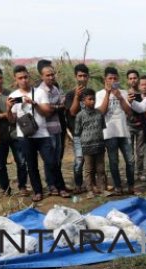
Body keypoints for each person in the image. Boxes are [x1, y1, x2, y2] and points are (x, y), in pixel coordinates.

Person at [6, 64, 56, 202]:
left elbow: (46, 112)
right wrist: (9, 109)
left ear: (29, 77)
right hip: (25, 136)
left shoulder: (39, 92)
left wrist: (34, 103)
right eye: (20, 78)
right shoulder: (13, 96)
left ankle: (56, 186)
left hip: (42, 134)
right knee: (31, 165)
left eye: (25, 77)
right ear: (15, 80)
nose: (23, 80)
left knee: (51, 162)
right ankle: (38, 191)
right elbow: (11, 120)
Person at [96, 66, 146, 195]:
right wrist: (108, 94)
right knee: (114, 162)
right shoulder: (99, 94)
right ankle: (118, 187)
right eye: (110, 78)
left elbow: (129, 112)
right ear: (105, 79)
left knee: (130, 161)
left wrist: (120, 97)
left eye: (115, 78)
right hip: (109, 133)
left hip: (124, 131)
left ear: (118, 79)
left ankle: (131, 186)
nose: (113, 80)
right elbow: (101, 112)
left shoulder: (124, 93)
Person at [0, 65, 28, 195]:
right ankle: (5, 189)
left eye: (0, 78)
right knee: (0, 165)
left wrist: (0, 115)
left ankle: (22, 187)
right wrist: (3, 115)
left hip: (15, 133)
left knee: (21, 162)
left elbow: (17, 113)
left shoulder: (11, 94)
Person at [37, 64, 69, 197]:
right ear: (42, 76)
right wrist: (57, 107)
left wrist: (54, 107)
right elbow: (48, 110)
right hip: (46, 129)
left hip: (57, 128)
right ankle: (51, 184)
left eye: (52, 74)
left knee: (57, 157)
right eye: (48, 75)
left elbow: (62, 104)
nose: (51, 77)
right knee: (50, 159)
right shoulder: (40, 91)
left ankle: (57, 183)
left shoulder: (55, 88)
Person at [74, 89, 108, 197]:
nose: (92, 101)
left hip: (99, 145)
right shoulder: (80, 115)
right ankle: (89, 190)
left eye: (94, 99)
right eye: (90, 99)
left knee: (101, 169)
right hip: (87, 147)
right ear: (83, 101)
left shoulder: (99, 113)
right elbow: (77, 132)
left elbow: (102, 127)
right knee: (89, 169)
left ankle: (102, 189)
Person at [66, 63, 90, 192]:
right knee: (79, 159)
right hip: (78, 133)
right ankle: (78, 184)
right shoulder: (70, 94)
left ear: (88, 77)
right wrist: (77, 96)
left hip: (91, 132)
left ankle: (92, 184)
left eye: (85, 76)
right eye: (80, 76)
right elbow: (72, 112)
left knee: (92, 160)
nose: (82, 78)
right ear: (76, 77)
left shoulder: (91, 94)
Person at [126, 69, 146, 182]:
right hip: (128, 126)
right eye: (130, 78)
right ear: (127, 80)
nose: (133, 80)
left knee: (140, 152)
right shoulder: (125, 94)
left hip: (141, 127)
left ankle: (139, 172)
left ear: (138, 79)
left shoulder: (144, 95)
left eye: (135, 78)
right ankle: (130, 173)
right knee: (129, 152)